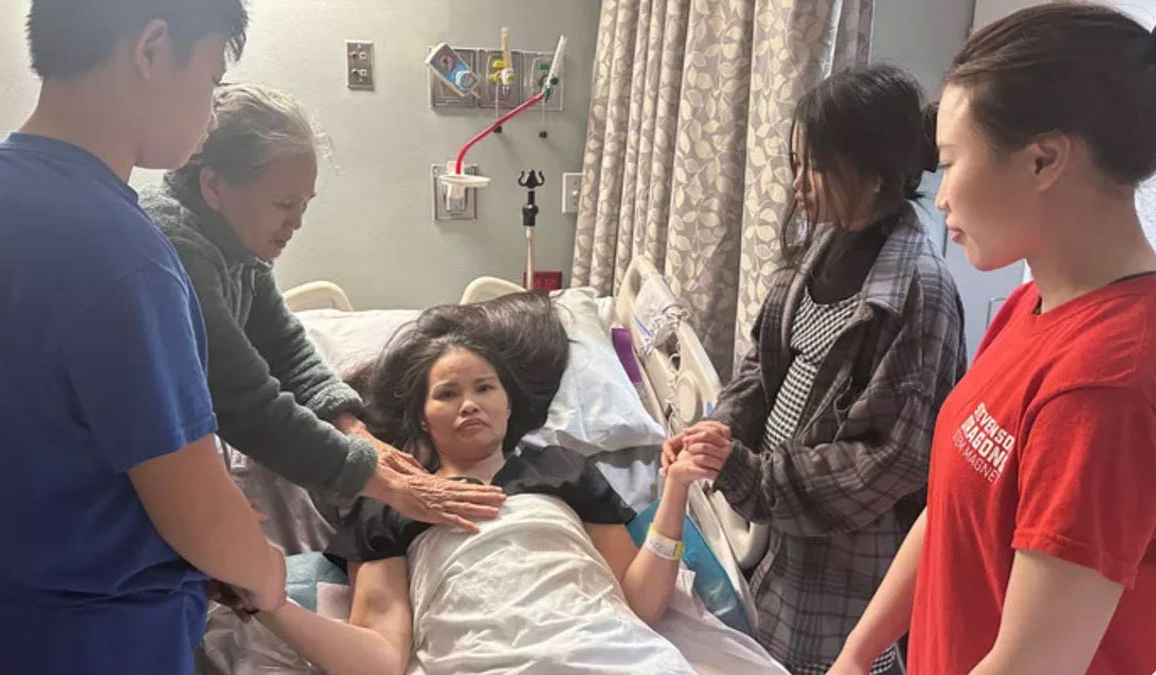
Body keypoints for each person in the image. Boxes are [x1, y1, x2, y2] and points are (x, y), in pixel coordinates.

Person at [0, 2, 286, 674]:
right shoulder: (119, 254)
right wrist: (264, 570)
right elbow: (197, 511)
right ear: (151, 49)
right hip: (102, 636)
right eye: (213, 72)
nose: (213, 105)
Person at [830, 6, 1156, 674]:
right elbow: (953, 508)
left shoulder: (1105, 384)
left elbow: (1033, 663)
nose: (941, 196)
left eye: (950, 163)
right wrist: (858, 651)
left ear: (1043, 159)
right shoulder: (1027, 305)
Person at [223, 294, 786, 674]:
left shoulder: (562, 468)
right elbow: (380, 657)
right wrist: (271, 601)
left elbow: (638, 604)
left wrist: (676, 489)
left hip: (609, 653)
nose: (469, 404)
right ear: (422, 418)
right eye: (447, 394)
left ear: (509, 401)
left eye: (485, 388)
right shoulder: (389, 504)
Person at [663, 64, 966, 674]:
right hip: (779, 524)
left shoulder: (918, 291)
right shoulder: (817, 251)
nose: (799, 184)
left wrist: (752, 476)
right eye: (795, 163)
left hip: (849, 550)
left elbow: (890, 460)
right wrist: (722, 427)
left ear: (874, 169)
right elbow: (762, 361)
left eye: (815, 165)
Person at [140, 83, 505, 538]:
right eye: (283, 204)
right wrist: (387, 483)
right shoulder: (176, 247)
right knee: (260, 581)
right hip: (124, 477)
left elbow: (286, 348)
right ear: (213, 185)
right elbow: (248, 405)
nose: (296, 222)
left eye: (305, 204)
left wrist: (356, 431)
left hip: (170, 463)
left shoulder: (234, 244)